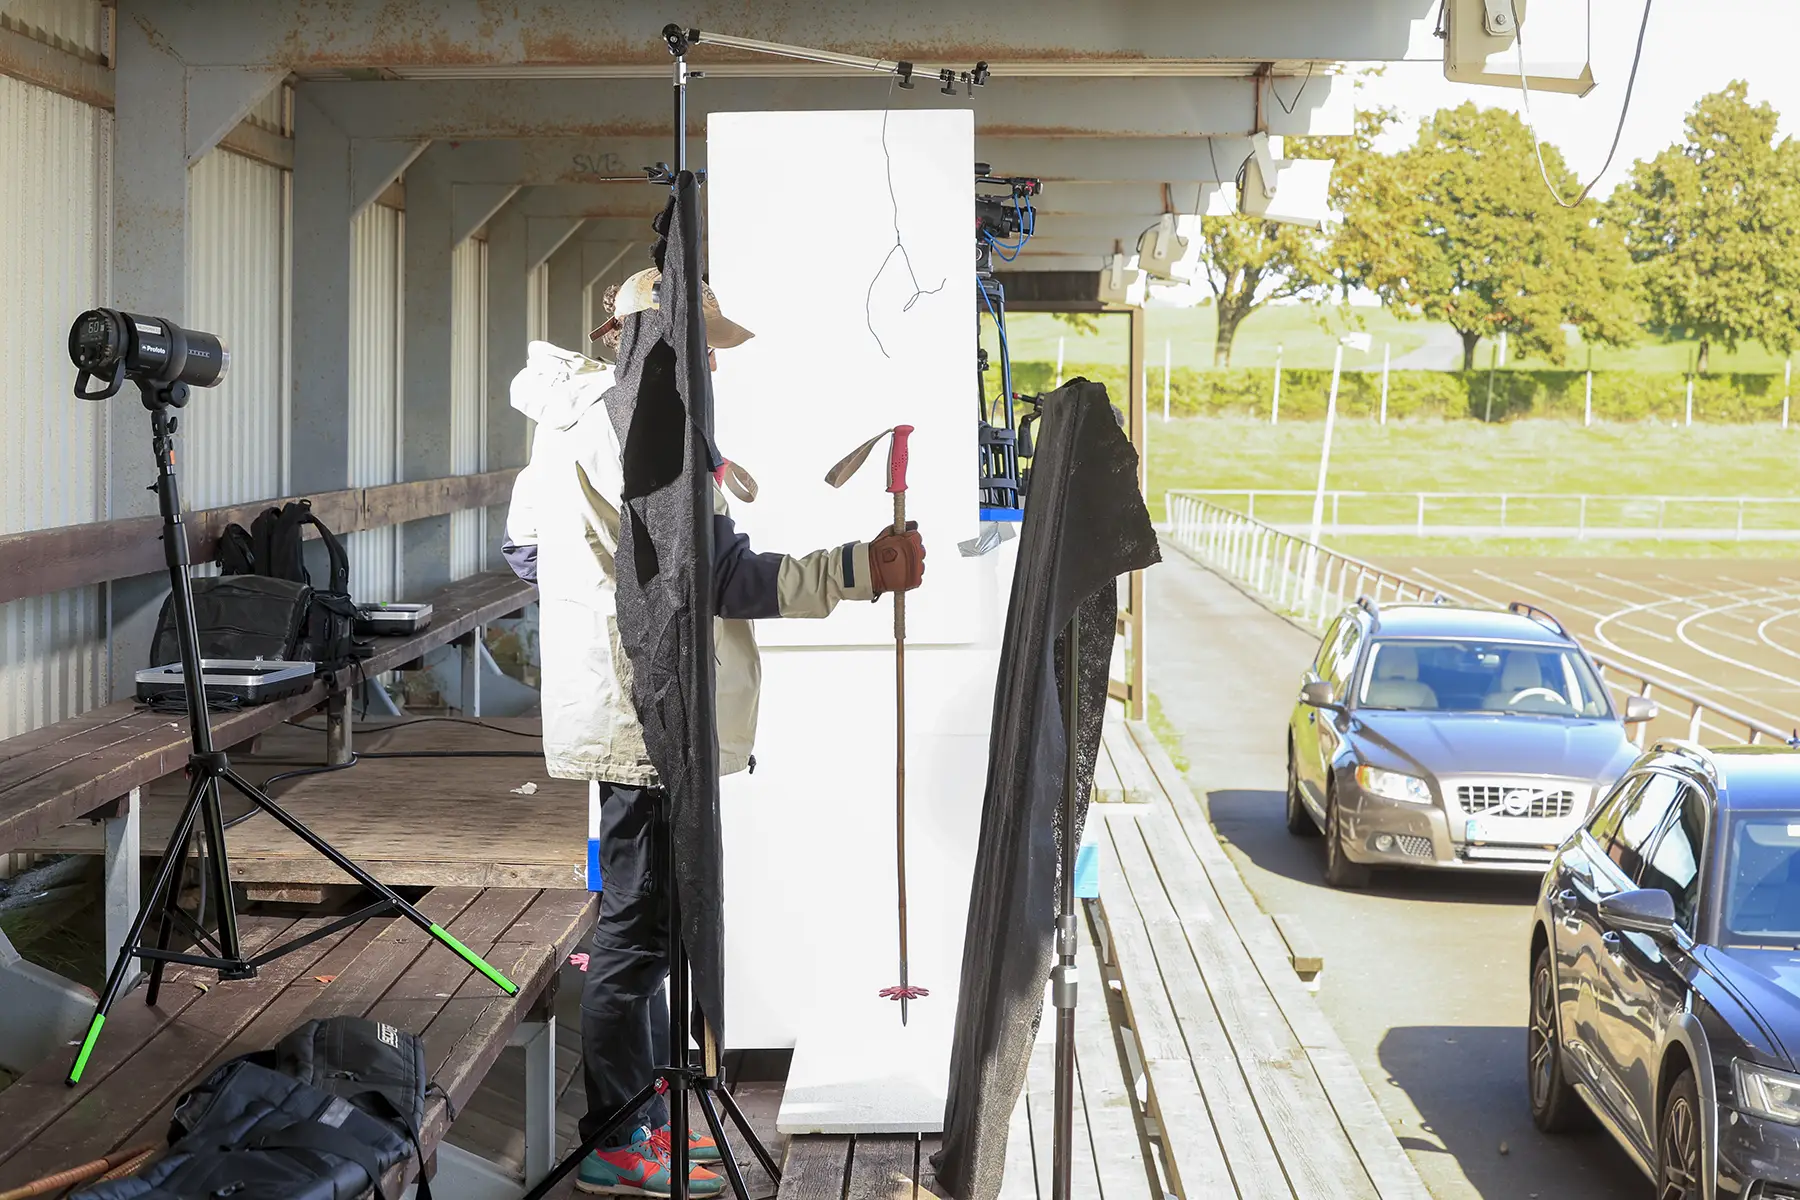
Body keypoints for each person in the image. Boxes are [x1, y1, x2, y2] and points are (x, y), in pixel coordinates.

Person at [502, 268, 927, 1197]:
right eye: (700, 348)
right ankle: (617, 1142)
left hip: (626, 706)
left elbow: (526, 551)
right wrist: (861, 567)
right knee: (639, 936)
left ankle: (643, 1122)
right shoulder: (642, 431)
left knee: (646, 929)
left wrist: (610, 609)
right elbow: (723, 579)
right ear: (651, 340)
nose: (712, 369)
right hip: (649, 719)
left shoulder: (574, 420)